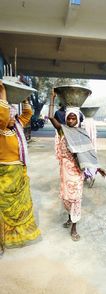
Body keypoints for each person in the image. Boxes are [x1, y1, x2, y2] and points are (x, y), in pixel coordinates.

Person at [48, 90, 106, 241]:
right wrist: (52, 99)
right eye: (69, 117)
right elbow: (50, 117)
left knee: (75, 199)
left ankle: (74, 226)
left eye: (74, 118)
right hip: (64, 170)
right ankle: (70, 217)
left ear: (78, 120)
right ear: (66, 119)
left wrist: (97, 167)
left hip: (76, 171)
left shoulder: (82, 133)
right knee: (66, 199)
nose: (71, 119)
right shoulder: (62, 130)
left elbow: (88, 152)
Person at [0, 81, 41, 254]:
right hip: (3, 174)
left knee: (19, 207)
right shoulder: (0, 129)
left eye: (12, 115)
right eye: (8, 115)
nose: (10, 118)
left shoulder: (17, 127)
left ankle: (14, 235)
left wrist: (24, 96)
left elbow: (28, 113)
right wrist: (3, 93)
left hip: (18, 173)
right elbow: (1, 116)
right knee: (3, 207)